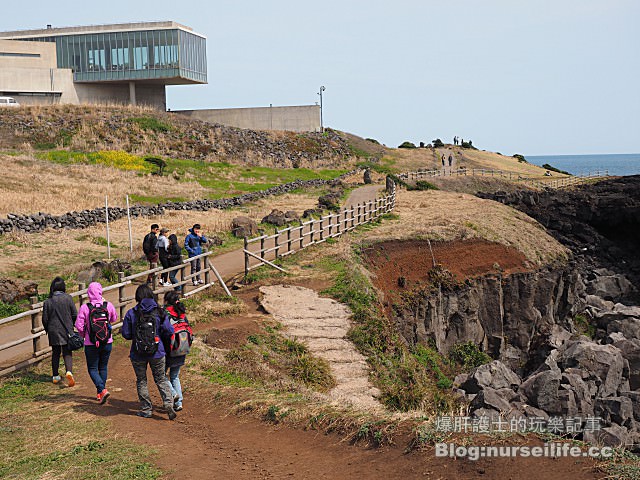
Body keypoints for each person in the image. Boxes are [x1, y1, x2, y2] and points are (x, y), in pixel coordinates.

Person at [121, 284, 176, 419]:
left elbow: (126, 334)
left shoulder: (132, 313)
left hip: (137, 353)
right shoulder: (160, 312)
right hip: (158, 352)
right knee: (161, 378)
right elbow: (169, 331)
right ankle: (168, 403)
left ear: (137, 297)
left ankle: (146, 409)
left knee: (141, 381)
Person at [75, 282, 118, 403]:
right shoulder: (107, 305)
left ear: (88, 293)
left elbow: (78, 325)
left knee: (92, 368)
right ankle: (101, 392)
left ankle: (102, 390)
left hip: (91, 343)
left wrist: (85, 335)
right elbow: (114, 318)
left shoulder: (85, 308)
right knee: (103, 367)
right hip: (107, 341)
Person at [42, 277, 78, 386]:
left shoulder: (48, 301)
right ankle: (69, 372)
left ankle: (55, 376)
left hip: (53, 330)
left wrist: (48, 329)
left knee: (55, 353)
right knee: (67, 352)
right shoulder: (68, 298)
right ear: (63, 287)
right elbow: (74, 314)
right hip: (66, 330)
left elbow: (45, 319)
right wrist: (71, 325)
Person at [163, 291, 192, 411]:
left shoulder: (165, 314)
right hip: (182, 349)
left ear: (166, 301)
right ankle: (179, 402)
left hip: (169, 350)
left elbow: (163, 332)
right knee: (175, 376)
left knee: (161, 375)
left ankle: (174, 393)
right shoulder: (182, 314)